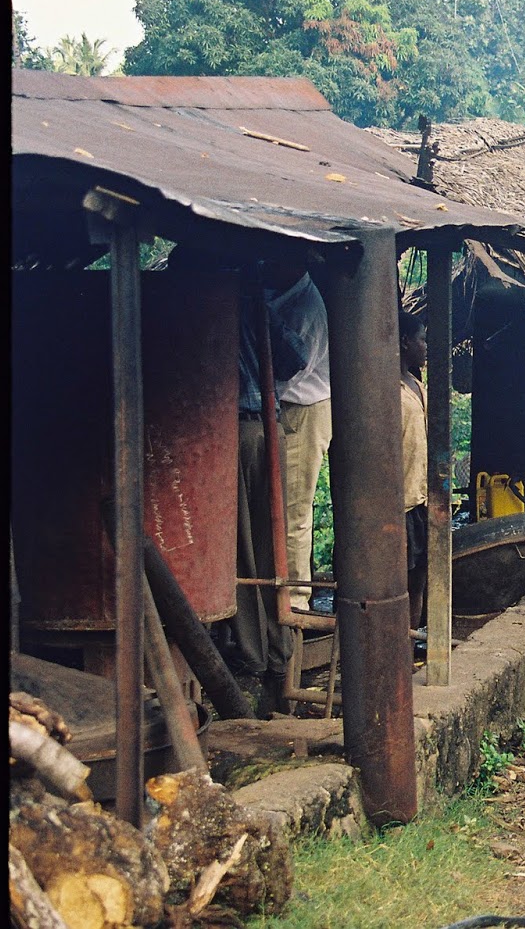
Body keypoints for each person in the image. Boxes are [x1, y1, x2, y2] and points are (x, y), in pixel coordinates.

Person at [231, 267, 310, 718]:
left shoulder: (204, 301)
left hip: (234, 428)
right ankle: (276, 652)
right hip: (267, 424)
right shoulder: (251, 299)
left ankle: (253, 653)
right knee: (269, 542)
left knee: (242, 548)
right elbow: (295, 356)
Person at [268, 264, 333, 614]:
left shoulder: (304, 306)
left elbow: (290, 371)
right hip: (292, 408)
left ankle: (295, 602)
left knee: (294, 510)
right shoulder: (284, 297)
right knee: (282, 509)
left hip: (302, 410)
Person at [399, 311, 429, 638]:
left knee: (418, 578)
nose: (425, 345)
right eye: (421, 338)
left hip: (420, 498)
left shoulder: (417, 387)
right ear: (405, 341)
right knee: (400, 580)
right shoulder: (388, 390)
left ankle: (406, 649)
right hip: (401, 502)